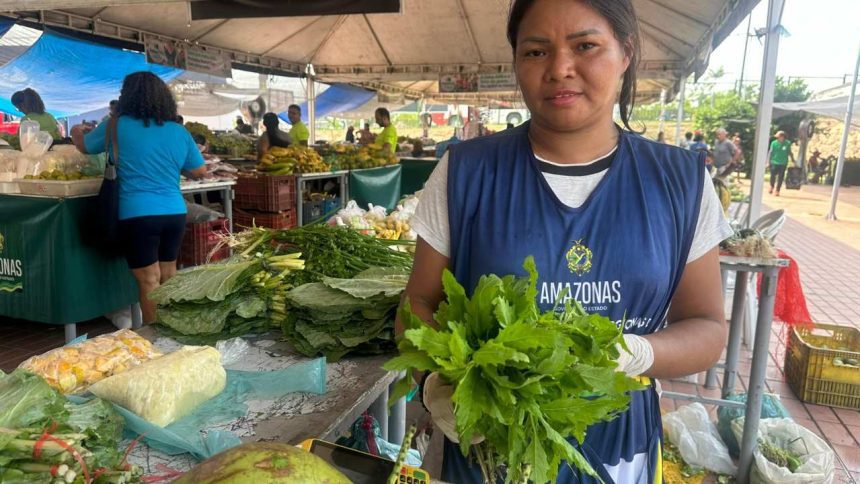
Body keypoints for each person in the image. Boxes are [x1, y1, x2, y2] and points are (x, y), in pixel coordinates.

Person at [401, 1, 731, 482]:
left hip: (620, 451)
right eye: (536, 51)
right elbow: (418, 303)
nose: (559, 68)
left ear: (625, 53)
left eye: (586, 46)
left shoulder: (680, 181)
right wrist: (436, 380)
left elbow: (707, 326)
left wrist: (637, 353)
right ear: (517, 62)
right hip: (488, 451)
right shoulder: (464, 172)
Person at [70, 71, 207, 324]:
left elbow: (85, 147)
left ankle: (156, 337)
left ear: (126, 97)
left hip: (137, 214)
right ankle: (175, 331)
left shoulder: (114, 125)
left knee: (149, 280)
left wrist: (76, 131)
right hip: (175, 213)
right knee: (169, 275)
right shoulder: (178, 131)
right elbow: (199, 171)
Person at [768, 130, 794, 196]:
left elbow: (789, 152)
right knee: (772, 175)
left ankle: (777, 190)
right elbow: (771, 152)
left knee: (781, 177)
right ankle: (771, 186)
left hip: (783, 162)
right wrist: (768, 161)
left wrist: (793, 160)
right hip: (774, 161)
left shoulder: (787, 143)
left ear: (783, 137)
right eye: (777, 137)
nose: (778, 138)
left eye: (779, 137)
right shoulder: (774, 143)